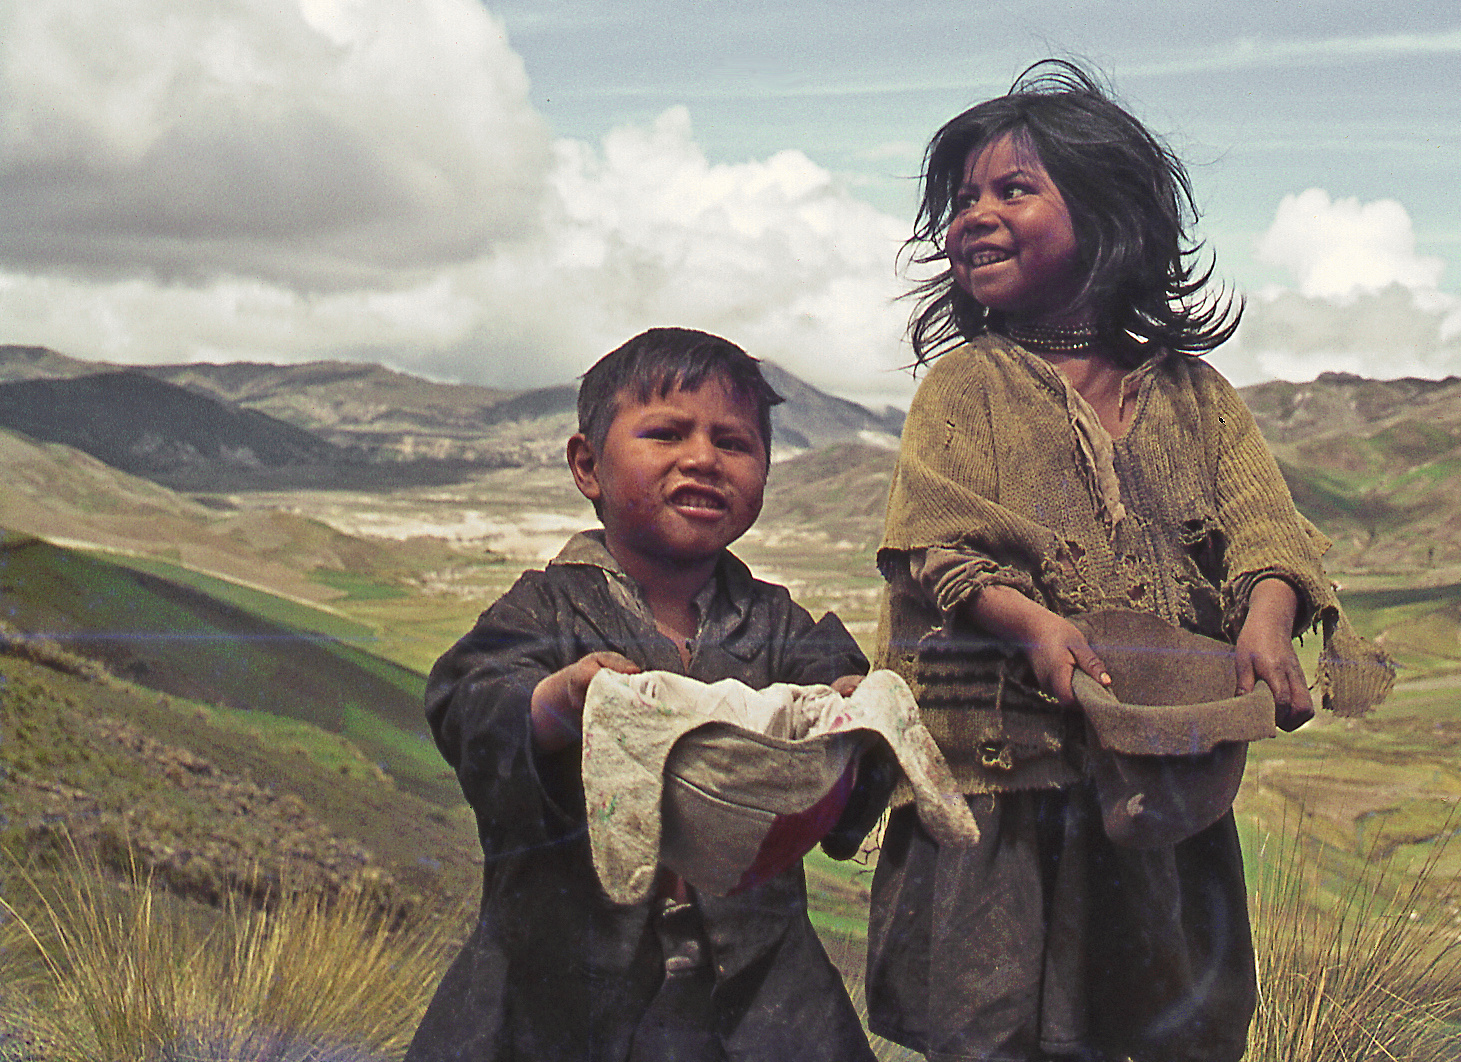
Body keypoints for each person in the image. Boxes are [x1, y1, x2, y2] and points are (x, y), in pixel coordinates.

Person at [865, 61, 1393, 1062]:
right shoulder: (966, 387)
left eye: (1011, 190)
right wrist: (1030, 626)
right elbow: (940, 544)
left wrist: (1267, 619)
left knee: (1161, 1019)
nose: (973, 216)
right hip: (1004, 784)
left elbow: (1264, 531)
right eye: (960, 200)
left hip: (1159, 773)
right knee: (998, 1023)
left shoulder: (1193, 396)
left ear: (1109, 218)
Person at [407, 328, 879, 1062]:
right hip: (559, 996)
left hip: (763, 1001)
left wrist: (858, 709)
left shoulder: (783, 626)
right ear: (586, 465)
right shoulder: (542, 611)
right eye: (664, 433)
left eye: (734, 442)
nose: (701, 458)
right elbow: (468, 702)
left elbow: (847, 704)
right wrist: (560, 702)